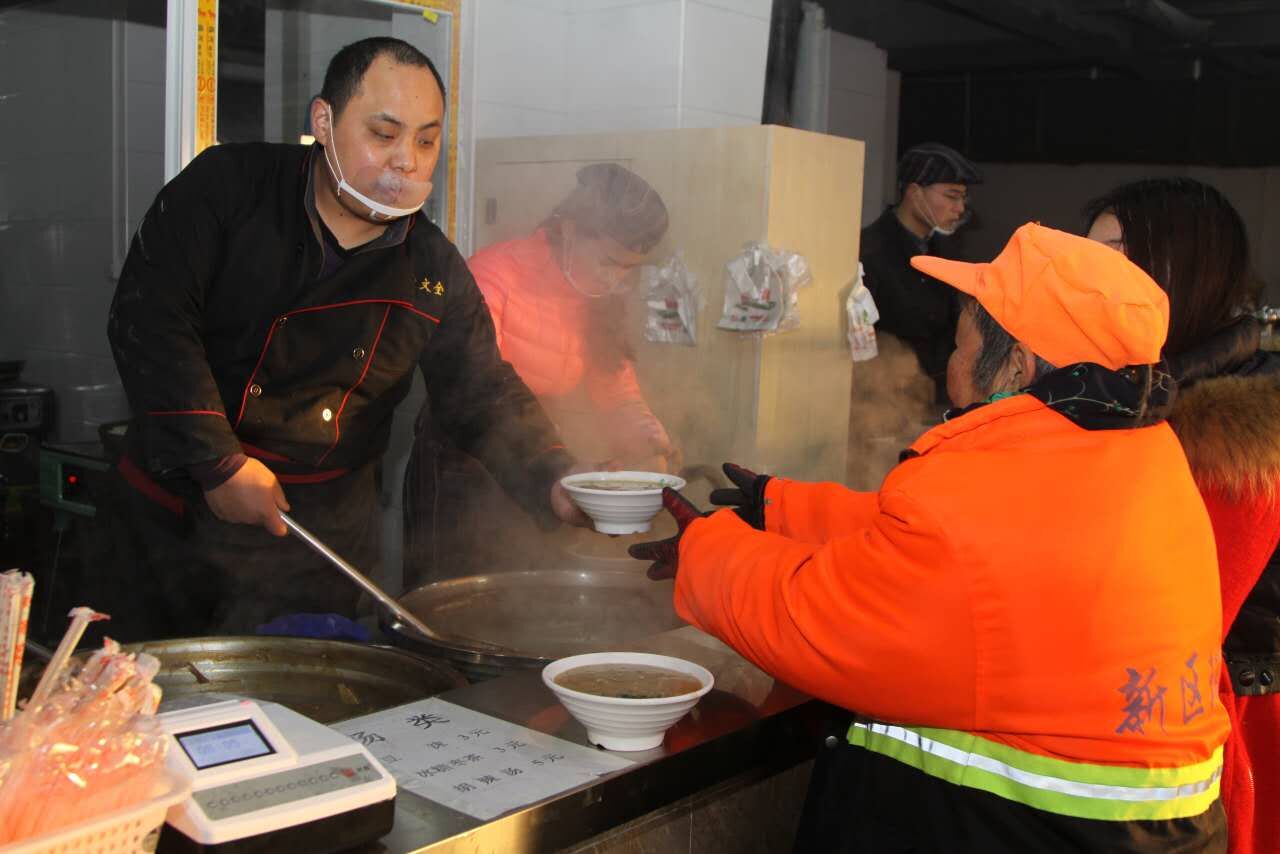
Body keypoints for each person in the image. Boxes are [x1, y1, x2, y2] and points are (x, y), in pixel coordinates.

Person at [631, 223, 1230, 851]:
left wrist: (704, 550)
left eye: (962, 346)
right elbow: (955, 559)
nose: (949, 362)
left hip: (1026, 833)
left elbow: (818, 619)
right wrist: (782, 508)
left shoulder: (977, 497)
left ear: (1018, 368)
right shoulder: (1139, 453)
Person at [99, 37, 584, 640]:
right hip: (174, 523)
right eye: (384, 134)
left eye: (427, 140)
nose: (406, 160)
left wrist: (555, 478)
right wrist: (216, 463)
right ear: (324, 121)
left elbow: (481, 392)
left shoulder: (431, 267)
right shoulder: (227, 189)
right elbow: (151, 319)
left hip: (318, 542)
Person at [1086, 178, 1280, 854]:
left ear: (1183, 269)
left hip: (1235, 709)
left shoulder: (1245, 419)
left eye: (1115, 255)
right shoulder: (1136, 390)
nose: (1091, 278)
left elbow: (1200, 607)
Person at [401, 165, 673, 586]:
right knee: (453, 591)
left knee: (521, 588)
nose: (615, 277)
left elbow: (614, 385)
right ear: (568, 230)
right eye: (608, 261)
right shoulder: (495, 275)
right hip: (466, 458)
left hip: (540, 457)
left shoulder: (599, 299)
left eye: (628, 269)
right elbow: (475, 387)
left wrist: (646, 436)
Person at [858, 142, 982, 405]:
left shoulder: (944, 252)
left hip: (935, 397)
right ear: (915, 192)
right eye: (951, 196)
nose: (960, 208)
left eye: (963, 197)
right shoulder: (868, 251)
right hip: (882, 401)